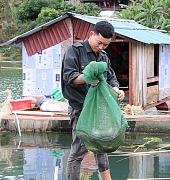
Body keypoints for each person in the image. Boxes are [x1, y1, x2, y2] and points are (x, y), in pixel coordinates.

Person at [61, 21, 125, 180]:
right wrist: (88, 78)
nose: (102, 47)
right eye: (99, 43)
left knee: (101, 144)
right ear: (91, 35)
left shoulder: (103, 56)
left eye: (106, 45)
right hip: (80, 109)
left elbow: (111, 77)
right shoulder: (74, 51)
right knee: (78, 150)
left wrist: (117, 89)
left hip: (99, 109)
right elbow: (69, 78)